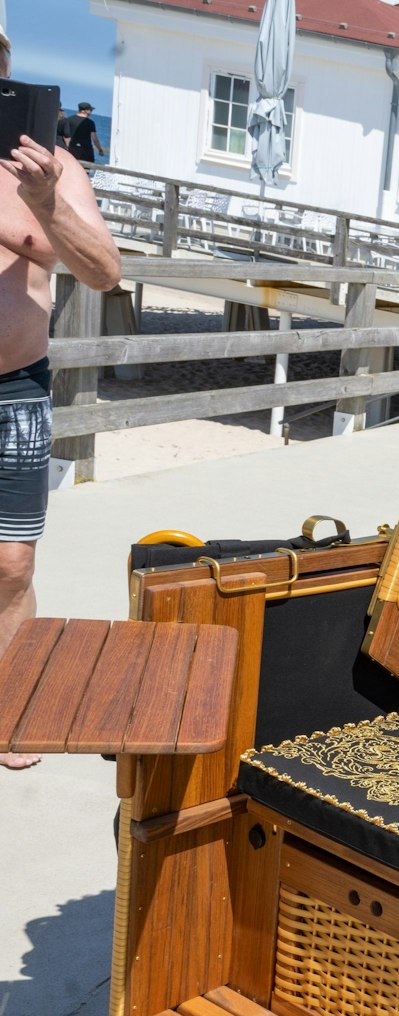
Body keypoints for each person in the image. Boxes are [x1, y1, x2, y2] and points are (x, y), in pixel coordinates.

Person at [0, 27, 123, 769]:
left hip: (14, 390)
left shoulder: (50, 165)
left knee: (12, 564)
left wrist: (45, 203)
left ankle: (10, 703)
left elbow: (105, 270)